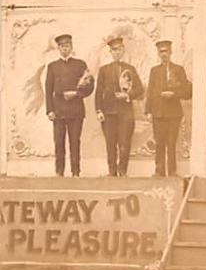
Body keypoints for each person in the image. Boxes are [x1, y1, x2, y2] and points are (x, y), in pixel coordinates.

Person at [45, 34, 95, 177]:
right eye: (62, 46)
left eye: (67, 46)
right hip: (58, 111)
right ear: (58, 49)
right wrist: (50, 110)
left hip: (76, 111)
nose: (64, 49)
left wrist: (76, 94)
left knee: (75, 142)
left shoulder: (80, 64)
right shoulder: (52, 66)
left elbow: (89, 86)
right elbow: (48, 90)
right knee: (59, 143)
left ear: (71, 47)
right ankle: (59, 172)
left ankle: (75, 172)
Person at [95, 37, 144, 177]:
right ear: (110, 52)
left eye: (119, 49)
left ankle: (122, 172)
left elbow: (140, 89)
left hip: (126, 113)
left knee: (124, 144)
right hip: (109, 113)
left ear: (123, 50)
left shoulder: (131, 69)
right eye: (114, 50)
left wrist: (128, 95)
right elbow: (99, 92)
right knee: (110, 144)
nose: (117, 52)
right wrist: (99, 110)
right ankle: (112, 172)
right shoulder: (104, 70)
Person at [145, 40, 191, 177]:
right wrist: (148, 111)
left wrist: (174, 94)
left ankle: (172, 171)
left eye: (166, 51)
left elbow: (187, 92)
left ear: (171, 52)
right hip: (158, 113)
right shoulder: (154, 71)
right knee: (159, 142)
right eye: (161, 52)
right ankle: (159, 170)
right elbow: (150, 91)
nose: (164, 54)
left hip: (174, 113)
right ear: (158, 54)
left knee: (171, 143)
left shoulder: (178, 70)